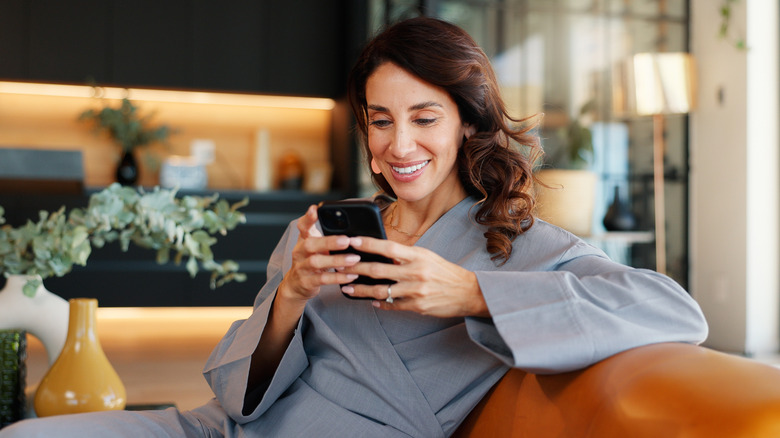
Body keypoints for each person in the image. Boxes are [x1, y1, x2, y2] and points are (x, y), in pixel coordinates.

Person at [1, 16, 708, 438]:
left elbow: (676, 312)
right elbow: (234, 396)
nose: (399, 146)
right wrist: (290, 296)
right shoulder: (330, 228)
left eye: (425, 118)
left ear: (467, 122)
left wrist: (470, 294)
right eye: (380, 121)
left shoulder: (524, 247)